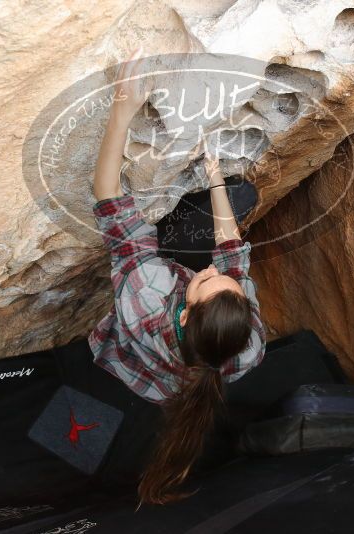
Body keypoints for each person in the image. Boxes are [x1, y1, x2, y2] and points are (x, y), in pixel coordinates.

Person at [87, 47, 267, 505]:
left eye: (205, 280)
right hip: (158, 366)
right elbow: (231, 256)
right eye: (228, 287)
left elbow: (108, 198)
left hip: (133, 337)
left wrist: (121, 112)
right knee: (238, 196)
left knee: (148, 233)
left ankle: (168, 230)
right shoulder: (244, 347)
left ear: (186, 316)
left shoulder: (147, 293)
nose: (209, 270)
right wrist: (214, 179)